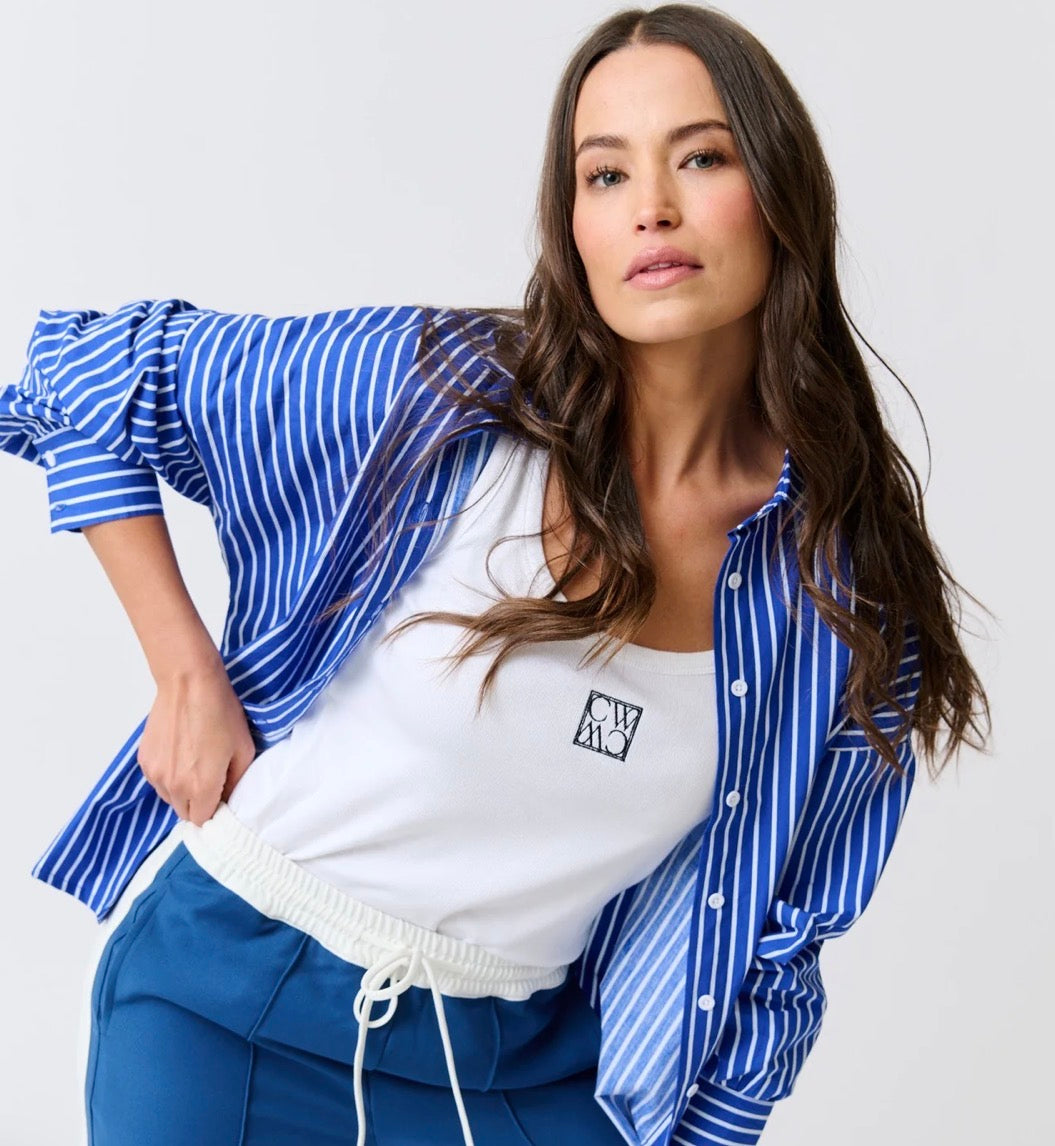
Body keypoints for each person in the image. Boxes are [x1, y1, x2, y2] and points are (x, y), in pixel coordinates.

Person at [0, 5, 991, 1145]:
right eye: (605, 174)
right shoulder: (437, 399)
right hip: (225, 1015)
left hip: (519, 1069)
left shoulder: (840, 595)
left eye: (701, 158)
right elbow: (84, 369)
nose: (651, 207)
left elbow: (780, 931)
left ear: (781, 194)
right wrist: (184, 674)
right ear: (573, 224)